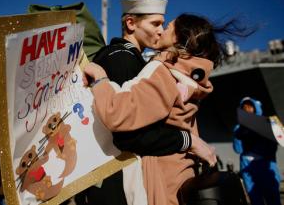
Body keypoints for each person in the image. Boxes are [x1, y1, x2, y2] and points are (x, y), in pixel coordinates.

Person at [83, 13, 249, 205]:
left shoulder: (163, 70)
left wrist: (101, 79)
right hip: (181, 171)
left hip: (158, 175)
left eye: (168, 26)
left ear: (179, 38)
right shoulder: (191, 76)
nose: (162, 30)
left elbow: (117, 115)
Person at [233, 97, 282, 205]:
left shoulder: (269, 124)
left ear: (256, 108)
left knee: (273, 199)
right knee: (255, 200)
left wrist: (259, 136)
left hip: (265, 167)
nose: (247, 109)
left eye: (250, 106)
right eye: (244, 107)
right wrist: (240, 134)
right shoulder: (238, 128)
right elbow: (237, 149)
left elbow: (274, 146)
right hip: (247, 167)